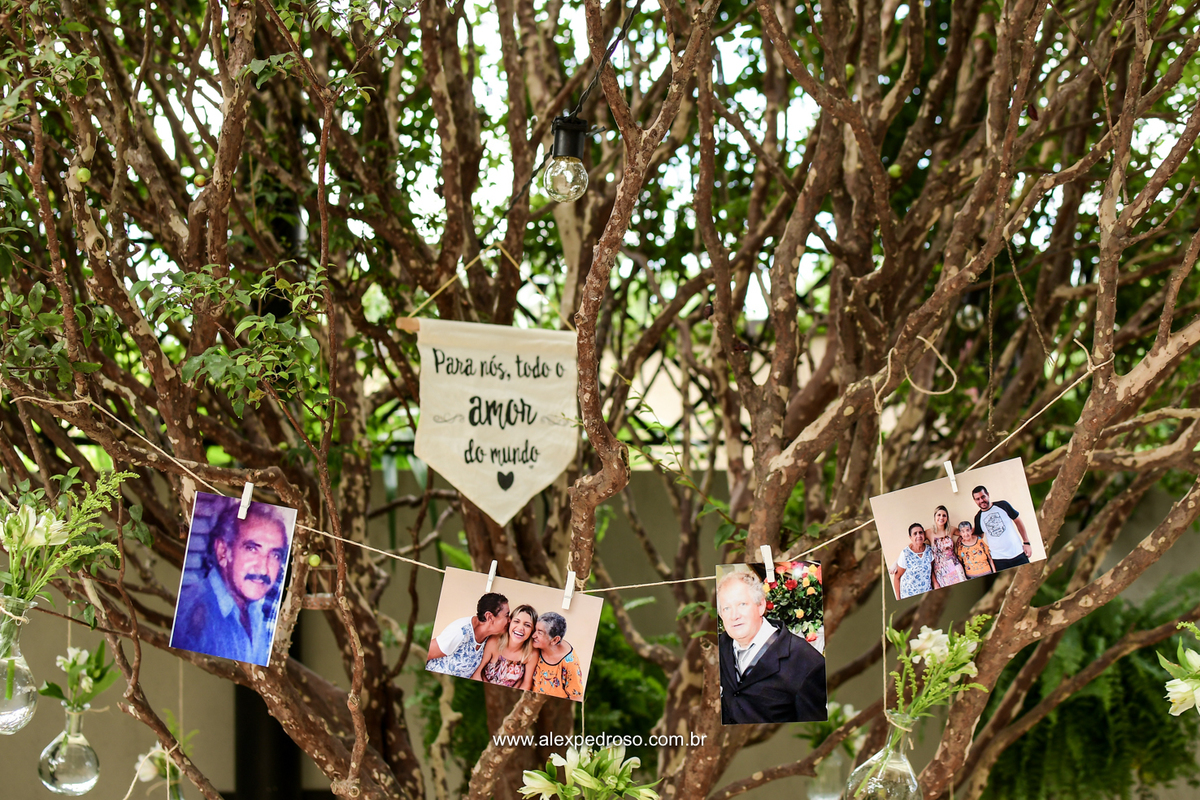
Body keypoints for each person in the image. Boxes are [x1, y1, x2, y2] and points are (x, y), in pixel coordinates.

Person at [171, 502, 291, 666]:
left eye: (275, 555)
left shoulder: (255, 611)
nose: (264, 569)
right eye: (252, 549)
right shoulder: (193, 613)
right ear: (223, 552)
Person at [716, 570, 826, 724]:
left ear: (761, 605)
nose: (734, 616)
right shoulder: (717, 648)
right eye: (727, 608)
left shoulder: (807, 662)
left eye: (742, 604)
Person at [426, 593, 510, 678]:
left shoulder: (490, 637)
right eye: (507, 615)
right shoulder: (460, 632)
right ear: (489, 617)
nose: (509, 620)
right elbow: (426, 652)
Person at [471, 603, 538, 690]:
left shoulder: (532, 653)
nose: (520, 628)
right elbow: (477, 672)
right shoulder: (494, 642)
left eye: (527, 625)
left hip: (509, 696)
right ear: (510, 622)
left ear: (532, 630)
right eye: (516, 621)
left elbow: (526, 684)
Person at [971, 485, 1033, 571]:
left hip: (1018, 553)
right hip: (999, 560)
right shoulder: (978, 518)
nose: (981, 500)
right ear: (975, 501)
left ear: (988, 494)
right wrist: (968, 532)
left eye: (983, 497)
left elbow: (1018, 521)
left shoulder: (1003, 505)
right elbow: (979, 537)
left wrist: (1026, 543)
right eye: (978, 499)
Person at [530, 612, 585, 700]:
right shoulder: (536, 646)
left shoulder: (570, 663)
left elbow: (576, 697)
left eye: (540, 633)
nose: (533, 635)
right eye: (535, 630)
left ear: (555, 640)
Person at [893, 523, 936, 599]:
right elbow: (897, 577)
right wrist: (898, 598)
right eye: (915, 534)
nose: (918, 536)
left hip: (926, 595)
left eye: (920, 532)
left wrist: (935, 584)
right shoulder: (906, 554)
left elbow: (931, 570)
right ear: (910, 537)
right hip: (908, 595)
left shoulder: (929, 550)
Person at [929, 505, 967, 588]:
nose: (941, 517)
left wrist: (961, 539)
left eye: (944, 515)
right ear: (935, 517)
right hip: (940, 570)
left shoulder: (951, 529)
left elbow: (966, 532)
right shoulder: (929, 532)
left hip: (955, 566)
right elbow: (917, 540)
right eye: (939, 515)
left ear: (947, 518)